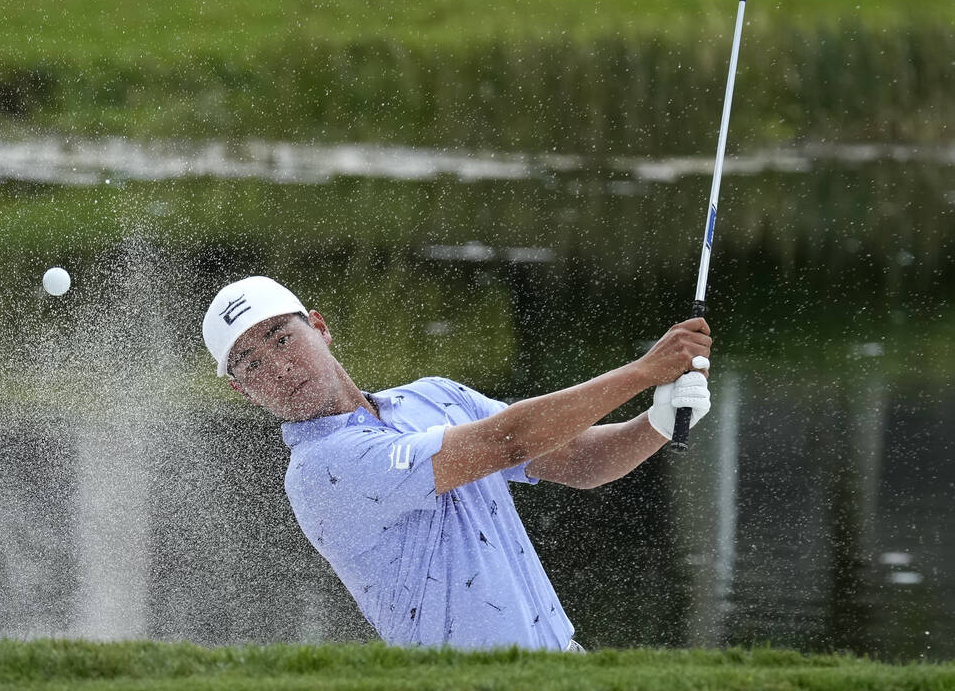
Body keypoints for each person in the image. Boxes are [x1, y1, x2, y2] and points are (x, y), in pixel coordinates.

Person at [202, 275, 712, 651]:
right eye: (251, 364)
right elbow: (506, 440)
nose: (279, 366)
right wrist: (644, 371)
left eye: (281, 338)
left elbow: (582, 461)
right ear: (240, 390)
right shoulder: (321, 470)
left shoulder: (433, 396)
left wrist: (658, 421)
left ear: (319, 327)